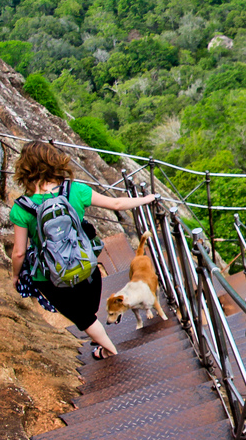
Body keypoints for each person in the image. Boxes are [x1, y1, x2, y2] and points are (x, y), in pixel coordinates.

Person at [10, 141, 157, 361]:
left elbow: (19, 253)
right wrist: (147, 199)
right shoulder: (75, 190)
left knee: (84, 319)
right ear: (54, 162)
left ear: (25, 170)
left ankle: (110, 351)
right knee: (89, 312)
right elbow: (116, 204)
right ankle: (101, 340)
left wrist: (15, 276)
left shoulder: (22, 208)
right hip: (86, 266)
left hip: (50, 277)